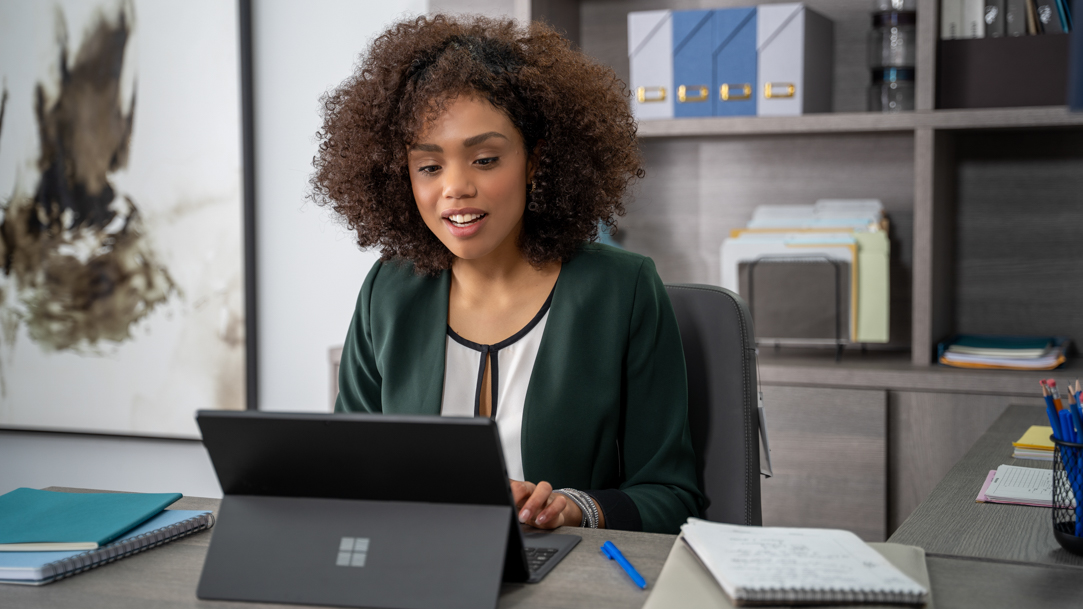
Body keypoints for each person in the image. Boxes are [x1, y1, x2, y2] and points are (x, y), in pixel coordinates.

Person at [311, 14, 704, 534]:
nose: (454, 188)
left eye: (486, 159)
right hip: (417, 565)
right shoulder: (389, 289)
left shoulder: (622, 290)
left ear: (536, 162)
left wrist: (574, 507)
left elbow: (672, 496)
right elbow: (348, 473)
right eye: (429, 166)